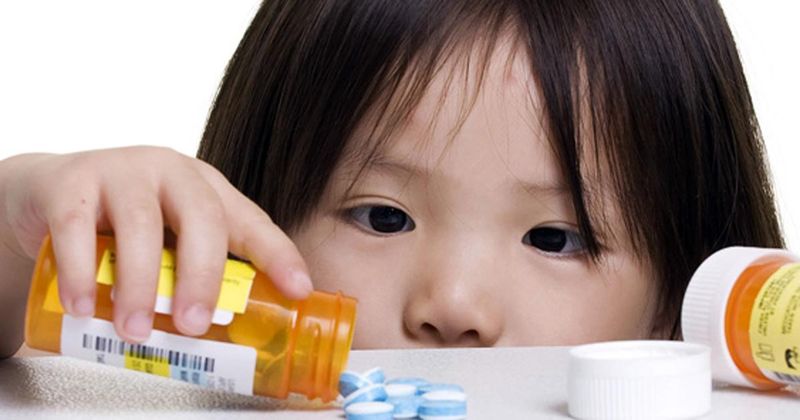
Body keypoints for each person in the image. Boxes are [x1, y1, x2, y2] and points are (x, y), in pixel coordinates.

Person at [0, 0, 784, 358]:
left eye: (554, 237)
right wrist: (11, 235)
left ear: (680, 313)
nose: (451, 308)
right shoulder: (213, 359)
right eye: (382, 218)